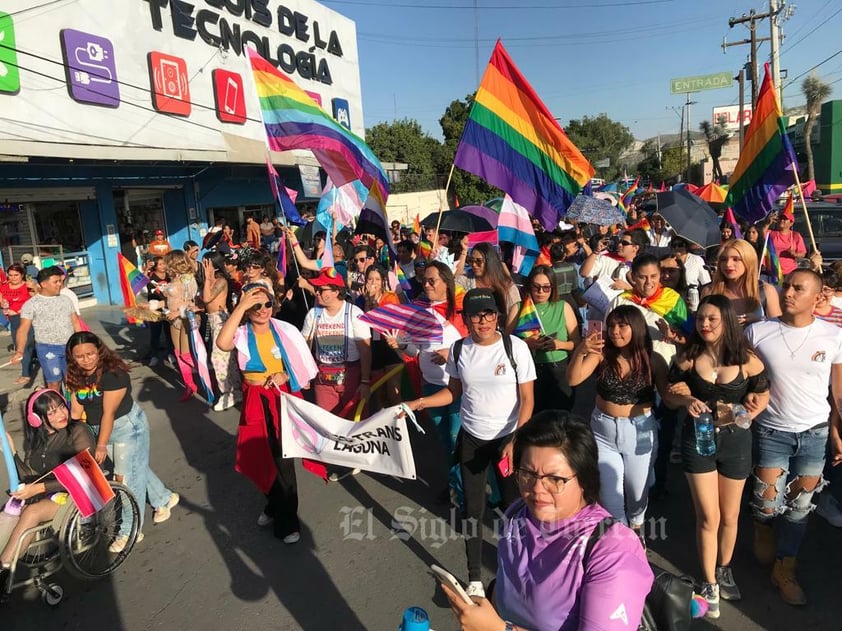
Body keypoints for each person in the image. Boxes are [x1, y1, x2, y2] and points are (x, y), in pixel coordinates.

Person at [442, 410, 653, 631]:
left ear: (584, 479)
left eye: (555, 479)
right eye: (527, 473)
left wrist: (498, 629)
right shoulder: (518, 514)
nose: (536, 489)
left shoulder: (612, 549)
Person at [405, 288, 536, 596]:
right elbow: (453, 392)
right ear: (466, 319)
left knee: (513, 509)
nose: (484, 320)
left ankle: (520, 569)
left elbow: (528, 400)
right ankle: (475, 579)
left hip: (507, 440)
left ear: (498, 316)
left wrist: (516, 440)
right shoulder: (460, 350)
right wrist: (418, 403)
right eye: (476, 315)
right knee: (472, 510)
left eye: (490, 313)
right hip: (472, 440)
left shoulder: (514, 347)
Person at [666, 295, 770, 617]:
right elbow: (669, 395)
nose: (705, 324)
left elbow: (763, 392)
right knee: (708, 517)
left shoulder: (747, 358)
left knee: (730, 515)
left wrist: (753, 409)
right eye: (700, 319)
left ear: (726, 320)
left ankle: (725, 568)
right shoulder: (687, 356)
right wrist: (685, 401)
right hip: (698, 440)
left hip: (737, 441)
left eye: (712, 319)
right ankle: (709, 581)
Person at [745, 268, 842, 605]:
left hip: (814, 433)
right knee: (769, 503)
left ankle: (785, 568)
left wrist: (837, 430)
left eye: (797, 289)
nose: (788, 293)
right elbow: (742, 377)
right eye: (786, 286)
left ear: (817, 298)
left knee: (800, 508)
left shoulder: (833, 336)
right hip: (772, 430)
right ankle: (762, 525)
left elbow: (837, 391)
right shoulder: (757, 332)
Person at [216, 283, 318, 543]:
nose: (263, 310)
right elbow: (222, 342)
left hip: (282, 397)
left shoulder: (285, 330)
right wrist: (240, 306)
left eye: (267, 304)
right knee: (258, 456)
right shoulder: (240, 332)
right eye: (255, 305)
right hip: (255, 399)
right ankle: (274, 504)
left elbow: (302, 366)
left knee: (284, 460)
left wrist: (285, 373)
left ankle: (288, 522)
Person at [65, 332, 179, 552]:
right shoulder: (74, 375)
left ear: (99, 350)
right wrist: (72, 438)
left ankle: (129, 530)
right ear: (72, 358)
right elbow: (77, 410)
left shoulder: (113, 373)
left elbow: (109, 413)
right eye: (79, 356)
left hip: (125, 427)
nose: (86, 359)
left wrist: (100, 446)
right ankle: (163, 498)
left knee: (125, 479)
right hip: (98, 429)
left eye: (90, 353)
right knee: (136, 467)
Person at [567, 305, 668, 542]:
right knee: (611, 496)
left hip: (640, 432)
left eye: (622, 325)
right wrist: (581, 349)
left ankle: (637, 526)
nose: (615, 331)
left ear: (636, 327)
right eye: (611, 325)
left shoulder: (653, 360)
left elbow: (668, 397)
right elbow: (573, 378)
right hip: (603, 432)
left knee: (637, 494)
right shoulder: (601, 355)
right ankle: (625, 545)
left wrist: (687, 397)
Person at [385, 261, 464, 505]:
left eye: (432, 281)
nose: (426, 285)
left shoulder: (461, 310)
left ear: (446, 283)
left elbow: (475, 348)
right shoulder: (420, 311)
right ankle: (455, 486)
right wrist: (400, 345)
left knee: (456, 441)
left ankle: (466, 493)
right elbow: (415, 348)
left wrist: (450, 353)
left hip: (458, 388)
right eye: (425, 281)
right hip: (430, 385)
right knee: (443, 441)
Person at [0, 389, 96, 589]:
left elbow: (86, 472)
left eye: (61, 407)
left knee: (32, 511)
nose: (61, 414)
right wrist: (13, 453)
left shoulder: (78, 431)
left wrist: (37, 489)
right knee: (10, 510)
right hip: (49, 494)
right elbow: (29, 477)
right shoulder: (38, 440)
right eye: (51, 412)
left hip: (79, 492)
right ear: (37, 419)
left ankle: (3, 569)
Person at [301, 267, 372, 418]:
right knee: (328, 422)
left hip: (350, 375)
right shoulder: (313, 314)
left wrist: (365, 382)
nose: (317, 292)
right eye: (316, 288)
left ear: (336, 291)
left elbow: (365, 351)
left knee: (355, 422)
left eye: (321, 289)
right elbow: (305, 347)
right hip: (323, 376)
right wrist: (304, 374)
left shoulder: (355, 313)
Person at [608, 253, 689, 366]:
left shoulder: (673, 300)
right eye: (642, 277)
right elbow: (605, 334)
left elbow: (690, 338)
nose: (648, 282)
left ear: (659, 275)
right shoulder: (621, 300)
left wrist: (673, 336)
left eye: (653, 276)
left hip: (663, 367)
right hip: (627, 368)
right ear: (633, 277)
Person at [521, 265, 579, 412]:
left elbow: (577, 342)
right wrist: (526, 343)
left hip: (558, 369)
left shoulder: (563, 306)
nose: (541, 292)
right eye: (536, 287)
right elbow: (506, 343)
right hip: (529, 371)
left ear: (553, 287)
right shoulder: (520, 308)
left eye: (546, 287)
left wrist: (559, 345)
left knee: (560, 418)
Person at [14, 266, 81, 390]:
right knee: (53, 383)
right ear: (44, 284)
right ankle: (56, 407)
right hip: (48, 350)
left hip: (69, 347)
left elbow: (76, 322)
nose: (59, 284)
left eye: (60, 281)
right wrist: (20, 351)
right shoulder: (31, 304)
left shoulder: (66, 300)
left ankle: (73, 408)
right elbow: (23, 329)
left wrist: (81, 344)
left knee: (72, 382)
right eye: (55, 282)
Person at [702, 239, 781, 326]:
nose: (728, 264)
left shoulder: (766, 290)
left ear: (748, 261)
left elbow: (777, 328)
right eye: (724, 259)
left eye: (736, 259)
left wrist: (759, 321)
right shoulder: (709, 291)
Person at [356, 265, 402, 407]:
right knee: (379, 395)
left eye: (377, 279)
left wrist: (372, 300)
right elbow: (362, 322)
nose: (373, 283)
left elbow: (382, 321)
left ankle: (401, 423)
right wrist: (366, 300)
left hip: (389, 345)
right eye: (370, 279)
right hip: (372, 347)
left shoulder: (390, 297)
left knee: (393, 393)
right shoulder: (360, 299)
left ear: (383, 281)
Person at [202, 252, 242, 411]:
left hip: (221, 320)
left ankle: (229, 391)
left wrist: (207, 278)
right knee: (226, 358)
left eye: (207, 263)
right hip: (212, 320)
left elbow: (207, 298)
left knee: (218, 356)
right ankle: (234, 390)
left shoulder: (221, 281)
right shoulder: (212, 281)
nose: (204, 266)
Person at [457, 243, 521, 334]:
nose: (474, 265)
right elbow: (453, 283)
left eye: (478, 261)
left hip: (499, 335)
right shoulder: (465, 280)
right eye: (471, 261)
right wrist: (463, 252)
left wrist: (505, 340)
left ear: (490, 261)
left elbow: (514, 312)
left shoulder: (507, 286)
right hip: (471, 334)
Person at [163, 250, 199, 401]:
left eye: (167, 263)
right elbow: (169, 302)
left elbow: (192, 302)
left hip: (184, 318)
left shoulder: (188, 280)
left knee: (185, 354)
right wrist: (152, 305)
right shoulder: (173, 280)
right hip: (173, 320)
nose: (165, 266)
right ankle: (189, 385)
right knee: (178, 352)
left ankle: (203, 369)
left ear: (174, 263)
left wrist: (178, 312)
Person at [1, 264, 35, 385]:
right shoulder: (4, 287)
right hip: (13, 320)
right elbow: (2, 302)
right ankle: (32, 361)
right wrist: (4, 306)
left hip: (27, 319)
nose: (13, 278)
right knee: (20, 346)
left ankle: (25, 374)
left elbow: (37, 299)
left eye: (16, 275)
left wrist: (25, 309)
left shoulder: (28, 285)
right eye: (10, 275)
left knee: (24, 346)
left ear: (22, 275)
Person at [144, 256, 172, 367]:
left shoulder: (169, 276)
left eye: (164, 263)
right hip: (155, 310)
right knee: (155, 333)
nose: (163, 266)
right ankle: (154, 356)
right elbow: (142, 280)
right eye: (160, 264)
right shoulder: (151, 276)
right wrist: (146, 269)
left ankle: (171, 353)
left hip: (168, 308)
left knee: (169, 332)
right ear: (155, 266)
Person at [770, 207, 806, 275]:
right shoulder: (772, 234)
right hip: (773, 272)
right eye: (780, 218)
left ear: (791, 223)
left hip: (789, 272)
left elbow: (802, 253)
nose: (782, 220)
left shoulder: (796, 235)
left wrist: (795, 254)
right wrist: (767, 222)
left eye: (785, 219)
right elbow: (761, 234)